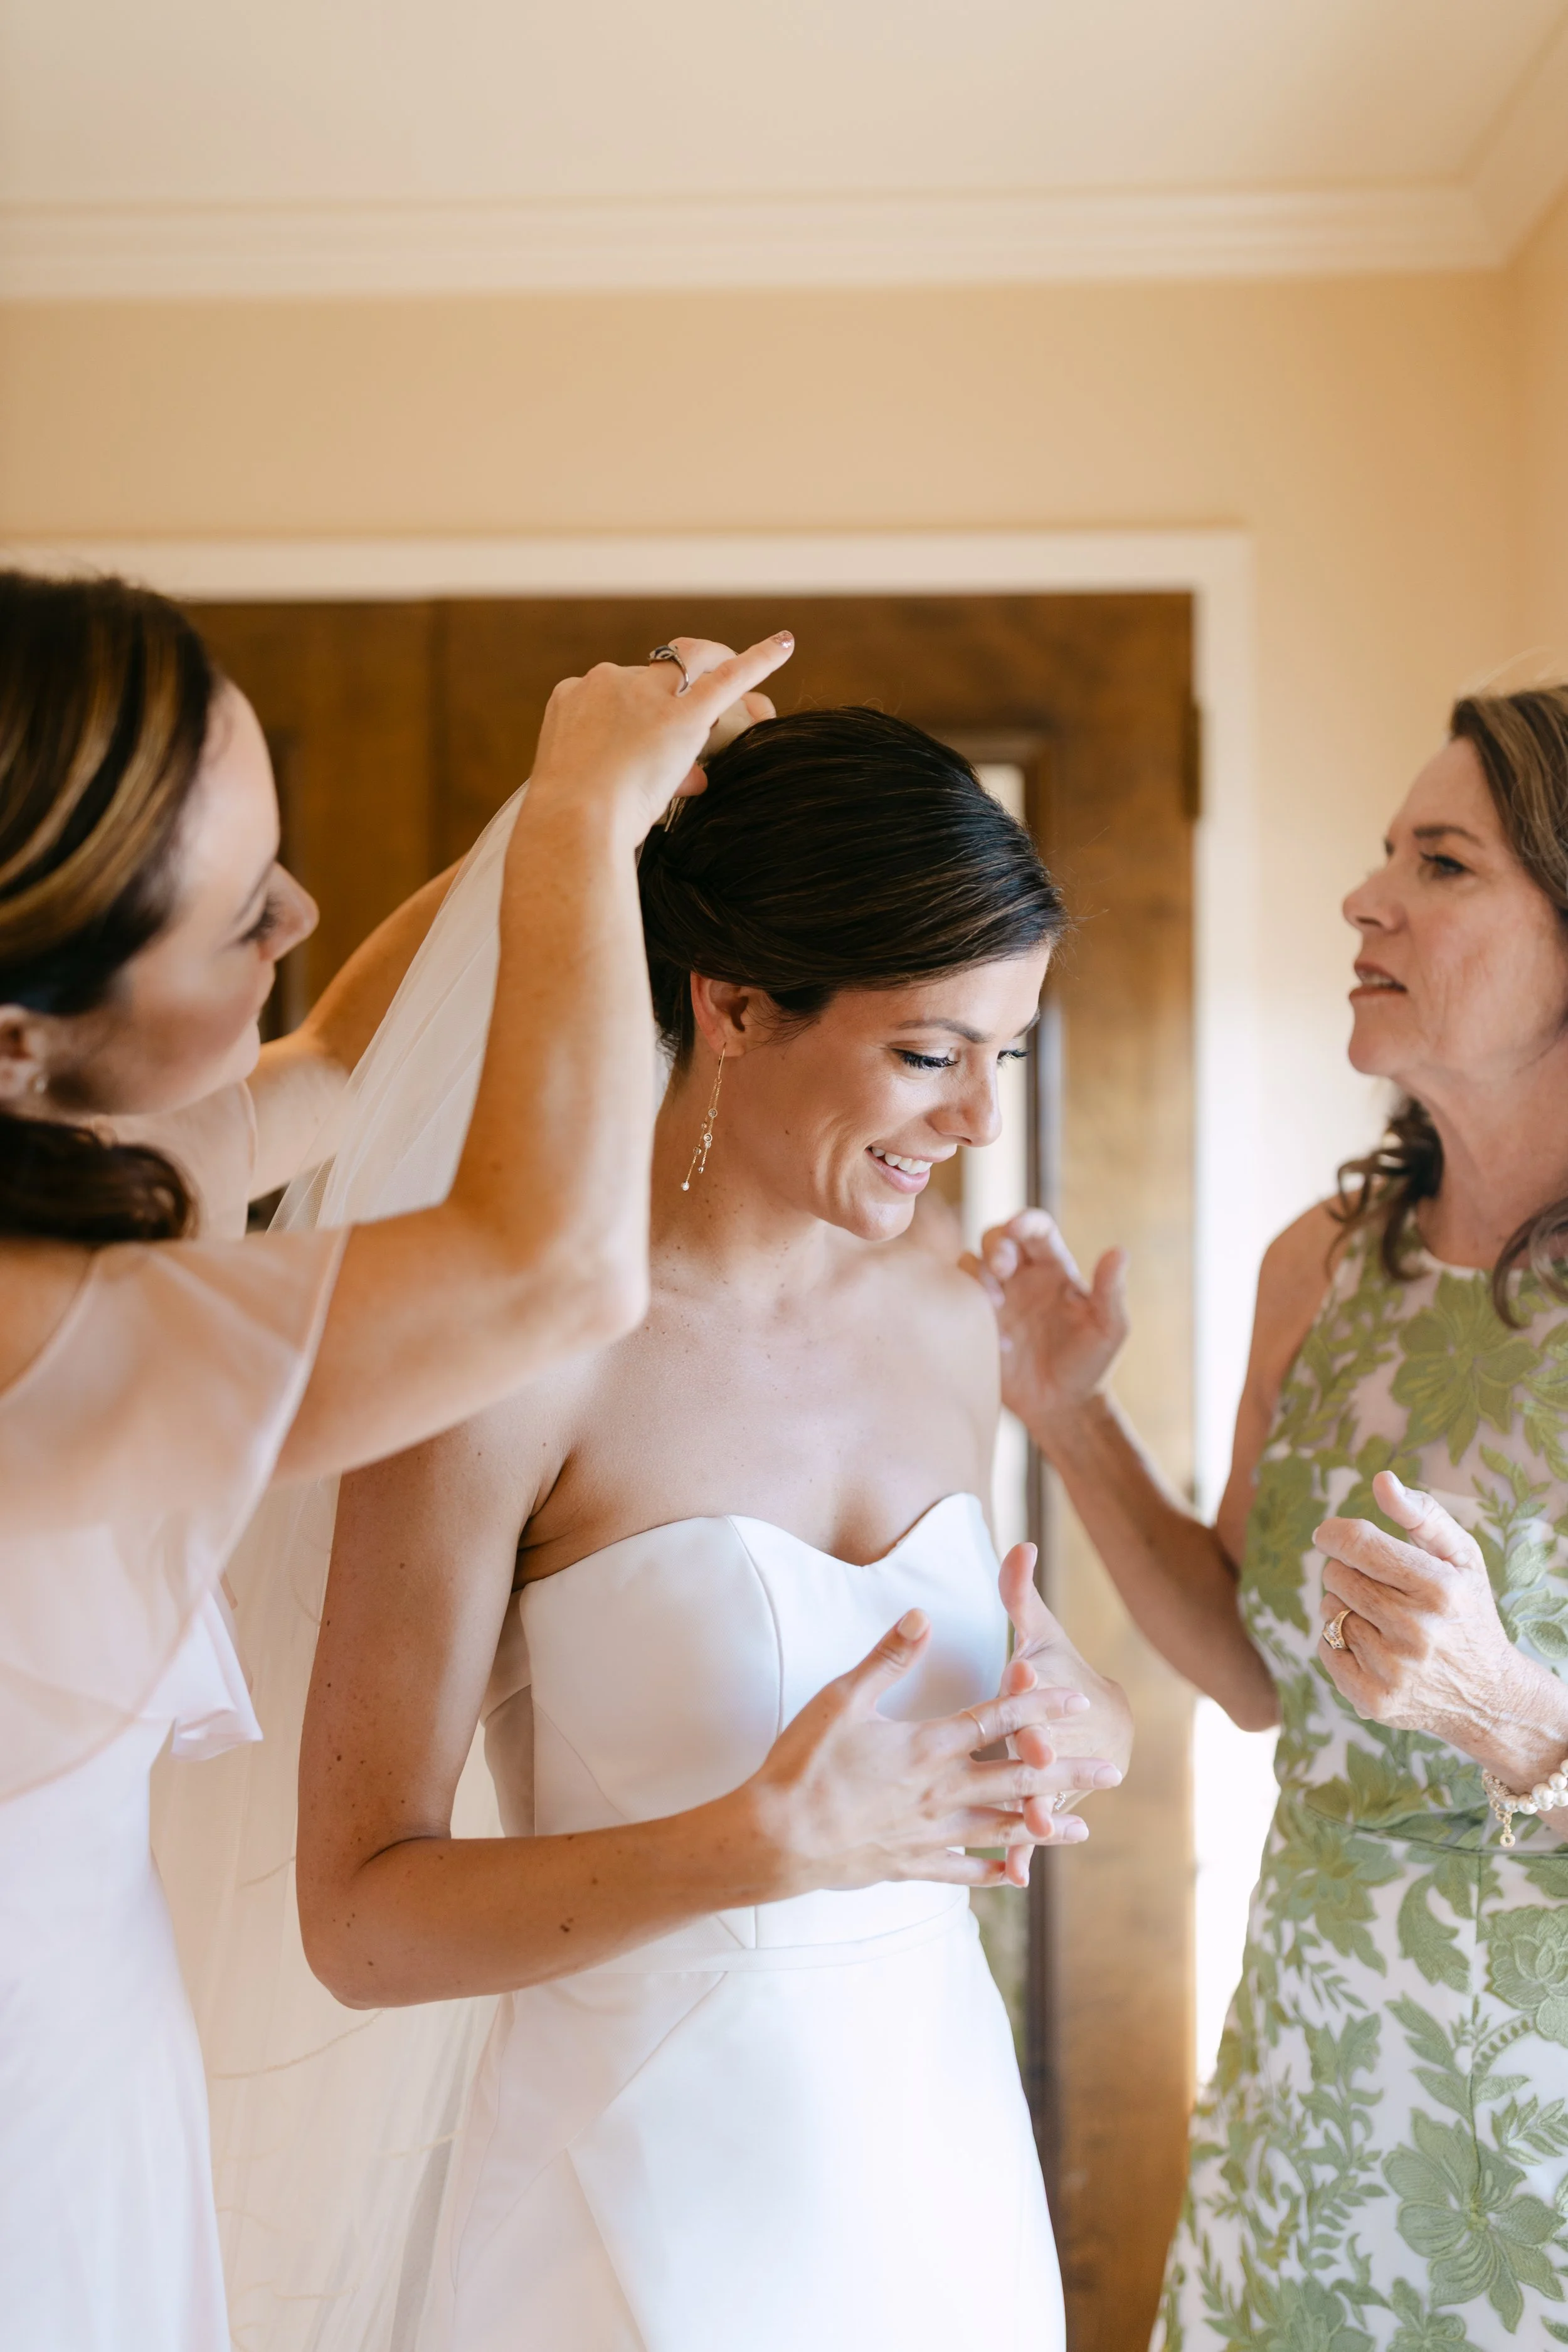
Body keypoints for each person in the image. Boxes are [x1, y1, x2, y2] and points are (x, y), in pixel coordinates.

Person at [0, 573, 980, 2352]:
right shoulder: (34, 1329)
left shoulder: (100, 1184)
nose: (301, 912)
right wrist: (586, 820)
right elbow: (554, 1268)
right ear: (16, 1040)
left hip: (88, 2049)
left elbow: (345, 1050)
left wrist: (570, 816)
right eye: (238, 913)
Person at [279, 707, 1133, 2352]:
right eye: (925, 1051)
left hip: (937, 2169)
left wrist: (1066, 1718)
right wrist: (737, 1853)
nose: (973, 1122)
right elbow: (358, 1923)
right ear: (734, 1004)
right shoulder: (511, 1362)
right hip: (632, 2206)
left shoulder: (949, 1321)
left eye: (1001, 1054)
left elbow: (980, 1671)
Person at [970, 685, 1568, 2350]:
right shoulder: (1324, 1265)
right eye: (1382, 852)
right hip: (1306, 2119)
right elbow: (1249, 1668)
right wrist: (1065, 1414)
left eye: (1439, 861)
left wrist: (1506, 1713)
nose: (1361, 898)